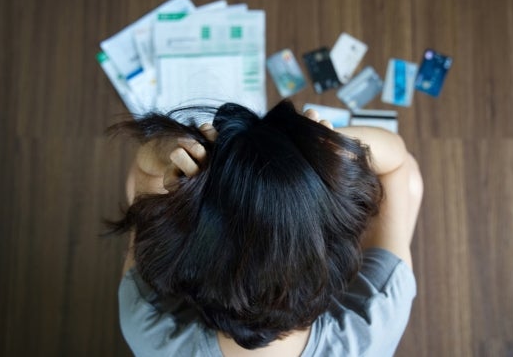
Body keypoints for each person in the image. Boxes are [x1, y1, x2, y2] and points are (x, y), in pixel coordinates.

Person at [109, 100, 423, 356]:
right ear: (336, 267)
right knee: (408, 184)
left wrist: (175, 154)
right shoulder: (373, 322)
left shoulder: (146, 326)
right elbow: (398, 165)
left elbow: (142, 172)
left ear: (182, 260)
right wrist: (334, 149)